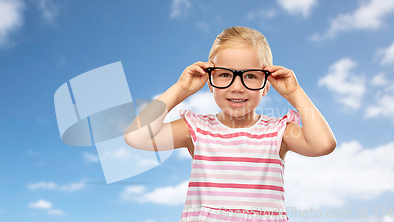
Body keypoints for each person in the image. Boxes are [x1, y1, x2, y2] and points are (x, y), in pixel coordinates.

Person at [124, 26, 336, 221]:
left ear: (266, 85)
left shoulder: (278, 132)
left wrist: (294, 93)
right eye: (225, 75)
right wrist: (181, 89)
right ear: (210, 82)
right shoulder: (196, 129)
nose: (237, 87)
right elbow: (136, 136)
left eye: (251, 76)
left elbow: (323, 144)